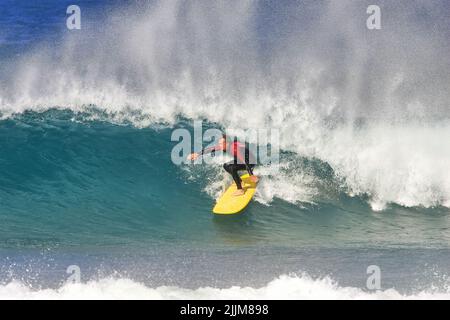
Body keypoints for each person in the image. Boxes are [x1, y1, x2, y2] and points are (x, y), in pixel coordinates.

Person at [187, 134, 259, 196]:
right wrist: (197, 154)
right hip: (241, 160)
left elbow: (245, 161)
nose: (219, 146)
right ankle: (239, 181)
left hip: (250, 163)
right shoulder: (227, 146)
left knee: (232, 168)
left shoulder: (235, 149)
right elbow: (212, 148)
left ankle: (240, 190)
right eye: (219, 144)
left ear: (227, 143)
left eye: (221, 144)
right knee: (226, 166)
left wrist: (251, 174)